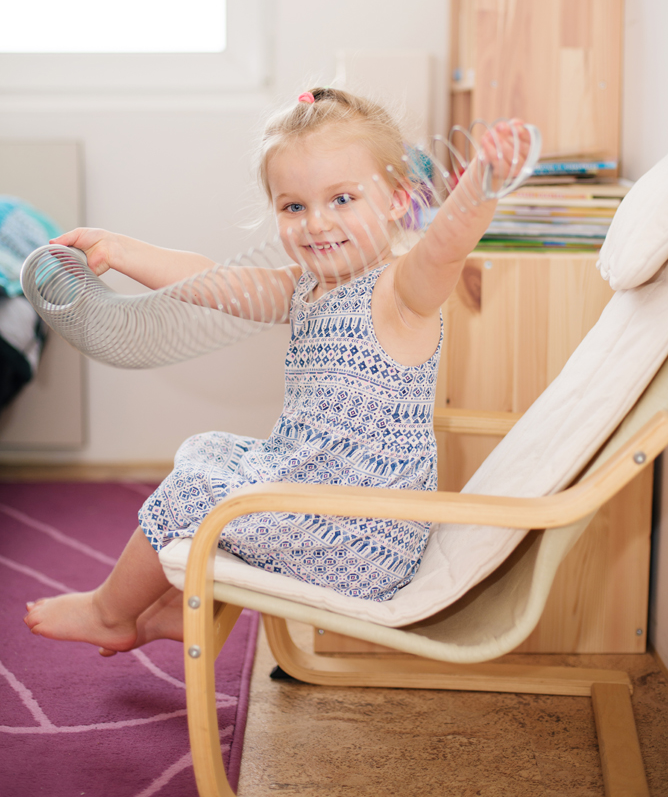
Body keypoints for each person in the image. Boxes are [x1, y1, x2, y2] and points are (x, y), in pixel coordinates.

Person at [24, 88, 529, 656]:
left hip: (362, 535)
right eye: (293, 207)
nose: (317, 223)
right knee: (210, 451)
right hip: (311, 492)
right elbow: (212, 282)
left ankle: (108, 613)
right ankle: (172, 606)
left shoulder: (401, 294)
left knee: (193, 491)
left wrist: (484, 180)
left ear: (397, 202)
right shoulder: (303, 287)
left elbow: (445, 248)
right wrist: (119, 249)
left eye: (342, 199)